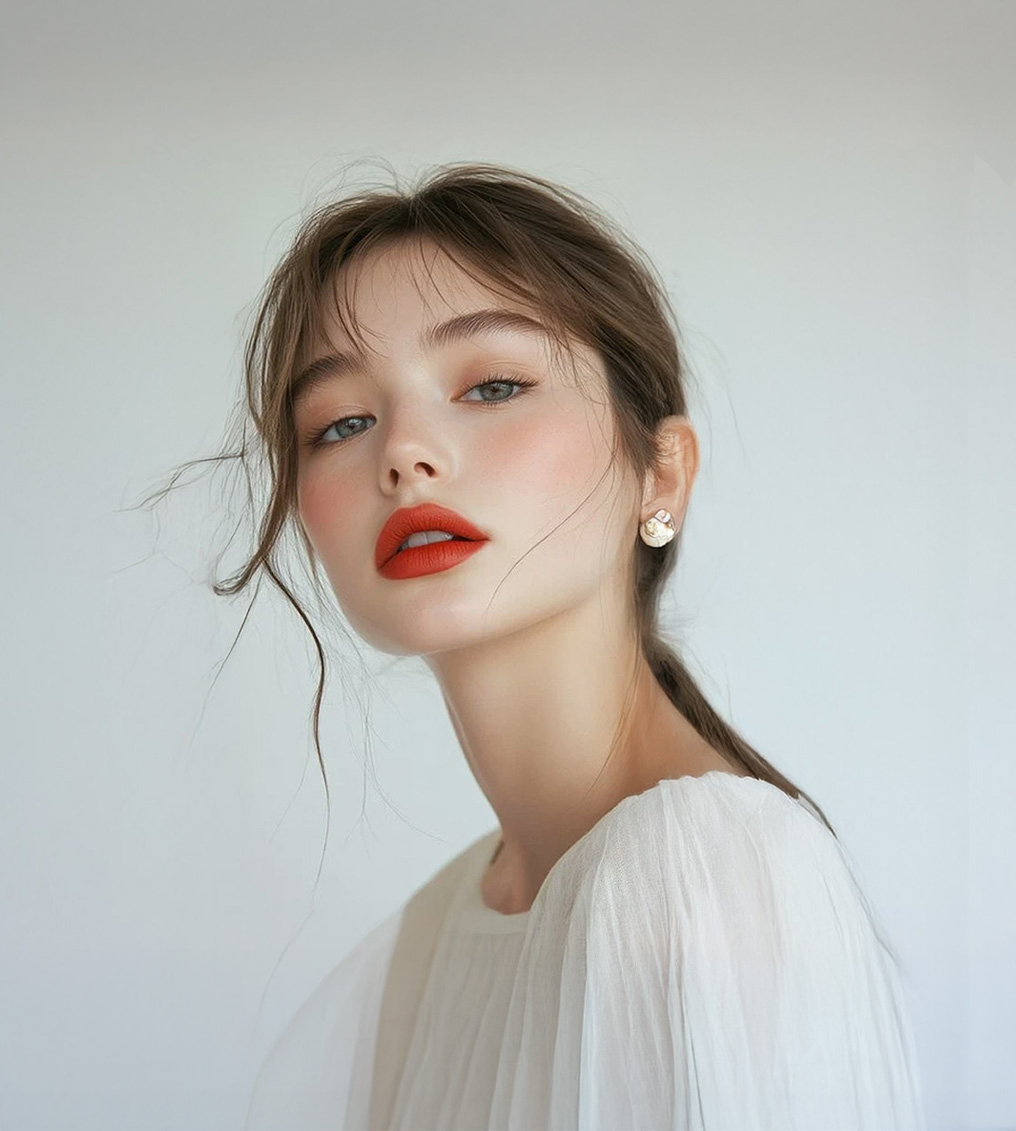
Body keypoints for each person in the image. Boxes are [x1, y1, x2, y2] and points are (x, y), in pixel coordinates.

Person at [229, 162, 925, 1129]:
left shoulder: (700, 876)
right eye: (342, 420)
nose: (404, 450)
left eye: (494, 384)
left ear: (662, 474)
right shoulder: (439, 932)